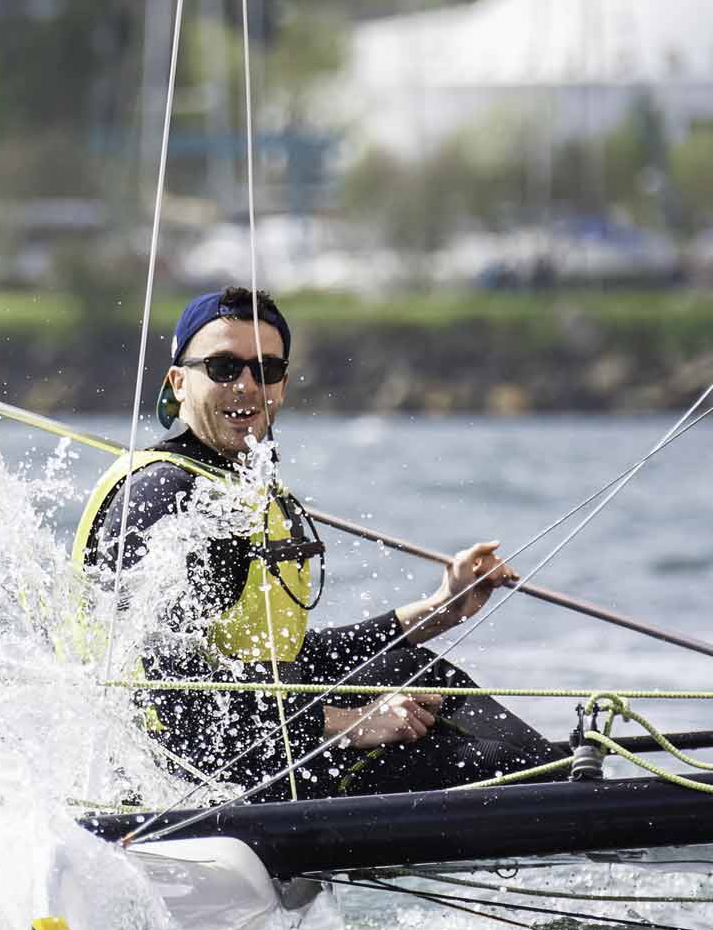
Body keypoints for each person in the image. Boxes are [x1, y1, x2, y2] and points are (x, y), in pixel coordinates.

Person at [74, 287, 565, 800]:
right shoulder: (170, 498)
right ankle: (579, 802)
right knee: (506, 766)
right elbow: (170, 700)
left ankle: (573, 779)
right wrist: (349, 723)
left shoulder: (230, 484)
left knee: (423, 674)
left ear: (283, 384)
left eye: (266, 370)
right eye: (222, 367)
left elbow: (280, 665)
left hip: (258, 735)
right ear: (178, 381)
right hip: (191, 781)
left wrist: (439, 610)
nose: (246, 385)